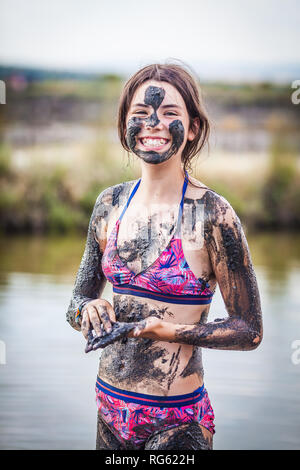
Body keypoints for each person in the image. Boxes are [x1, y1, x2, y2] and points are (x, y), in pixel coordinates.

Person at [66, 63, 263, 451]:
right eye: (140, 114)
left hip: (176, 425)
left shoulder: (207, 214)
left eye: (170, 113)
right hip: (109, 414)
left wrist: (166, 330)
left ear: (191, 129)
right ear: (125, 125)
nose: (153, 122)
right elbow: (74, 305)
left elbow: (249, 330)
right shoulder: (110, 205)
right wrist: (87, 309)